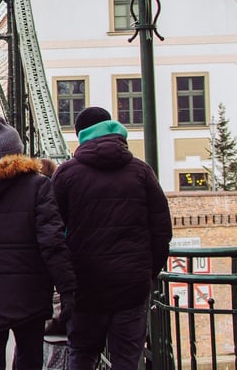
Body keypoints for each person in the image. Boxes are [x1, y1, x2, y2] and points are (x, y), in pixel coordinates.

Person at [0, 117, 76, 370]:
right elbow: (52, 242)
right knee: (29, 359)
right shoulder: (39, 185)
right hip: (29, 291)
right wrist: (68, 288)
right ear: (19, 152)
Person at [52, 107, 172, 370]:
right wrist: (148, 273)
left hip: (84, 287)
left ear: (80, 135)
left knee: (82, 355)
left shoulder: (66, 174)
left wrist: (64, 279)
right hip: (131, 286)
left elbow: (52, 233)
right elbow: (162, 229)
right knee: (127, 361)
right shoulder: (142, 172)